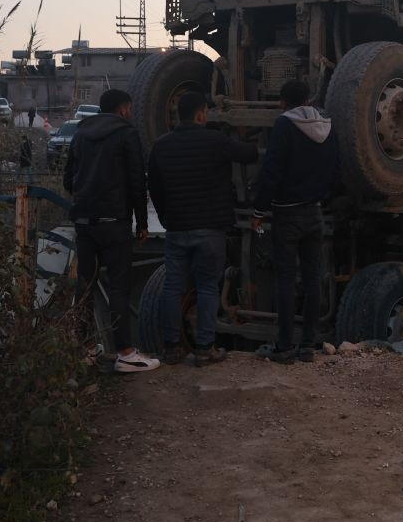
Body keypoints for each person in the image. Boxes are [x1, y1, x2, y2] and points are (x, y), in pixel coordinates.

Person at [148, 92, 258, 366]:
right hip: (210, 229)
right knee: (208, 287)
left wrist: (165, 216)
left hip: (176, 228)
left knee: (173, 287)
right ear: (200, 115)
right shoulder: (215, 141)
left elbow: (155, 187)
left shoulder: (161, 146)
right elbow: (249, 154)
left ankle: (171, 348)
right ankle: (204, 348)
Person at [62, 89, 159, 373]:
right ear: (123, 110)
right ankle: (126, 353)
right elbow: (136, 183)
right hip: (114, 223)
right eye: (128, 109)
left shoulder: (80, 133)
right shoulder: (126, 134)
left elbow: (68, 177)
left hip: (83, 222)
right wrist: (141, 223)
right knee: (119, 286)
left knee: (85, 285)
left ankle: (87, 350)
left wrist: (83, 199)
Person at [250, 80, 339, 365]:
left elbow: (272, 169)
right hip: (314, 213)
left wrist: (258, 210)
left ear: (283, 102)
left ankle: (285, 347)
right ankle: (308, 346)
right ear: (308, 99)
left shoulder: (284, 126)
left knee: (286, 281)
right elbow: (335, 167)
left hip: (287, 214)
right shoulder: (326, 126)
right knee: (314, 280)